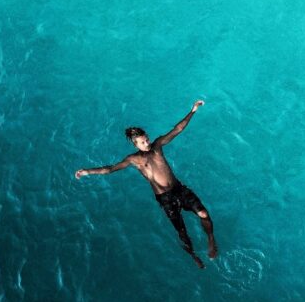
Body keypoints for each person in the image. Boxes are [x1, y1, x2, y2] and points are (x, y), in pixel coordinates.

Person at [74, 100, 218, 268]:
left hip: (179, 189)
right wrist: (87, 171)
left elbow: (177, 129)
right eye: (143, 142)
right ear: (135, 145)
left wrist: (192, 110)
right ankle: (193, 255)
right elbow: (110, 169)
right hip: (165, 198)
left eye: (147, 139)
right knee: (182, 231)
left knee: (203, 214)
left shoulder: (157, 146)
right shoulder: (134, 159)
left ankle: (211, 239)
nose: (147, 143)